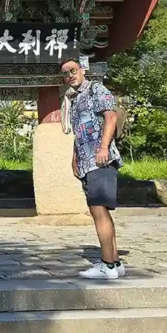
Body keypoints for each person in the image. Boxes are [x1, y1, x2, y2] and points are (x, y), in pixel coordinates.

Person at [60, 58, 126, 280]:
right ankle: (115, 261)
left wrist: (103, 147)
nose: (70, 75)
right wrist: (74, 158)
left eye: (73, 70)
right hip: (87, 161)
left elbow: (111, 117)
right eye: (66, 73)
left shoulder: (97, 89)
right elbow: (80, 132)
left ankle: (107, 265)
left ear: (82, 70)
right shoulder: (76, 99)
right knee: (100, 211)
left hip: (101, 159)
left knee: (98, 210)